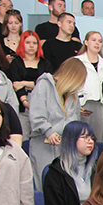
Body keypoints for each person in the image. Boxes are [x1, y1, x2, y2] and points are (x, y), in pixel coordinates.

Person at [28, 57, 85, 190]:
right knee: (45, 185)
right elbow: (36, 114)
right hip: (43, 145)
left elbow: (76, 122)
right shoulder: (44, 85)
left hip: (65, 148)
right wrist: (48, 131)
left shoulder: (73, 96)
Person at [75, 30, 103, 140]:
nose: (97, 43)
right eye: (94, 40)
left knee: (98, 139)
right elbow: (71, 86)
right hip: (82, 105)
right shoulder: (76, 62)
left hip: (101, 107)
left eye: (100, 41)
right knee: (81, 138)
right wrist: (75, 104)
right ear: (86, 42)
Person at [8, 30, 51, 117]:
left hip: (43, 102)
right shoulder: (16, 63)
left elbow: (47, 84)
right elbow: (16, 84)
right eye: (28, 42)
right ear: (22, 44)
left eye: (34, 43)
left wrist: (24, 83)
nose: (31, 46)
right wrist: (25, 102)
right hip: (22, 103)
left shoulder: (45, 63)